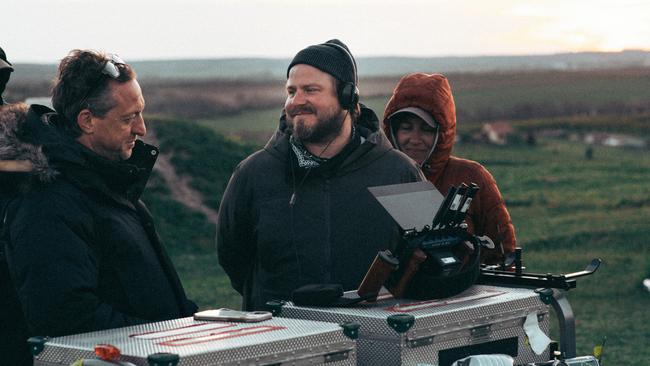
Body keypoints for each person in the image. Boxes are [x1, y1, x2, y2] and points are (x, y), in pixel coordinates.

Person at [2, 50, 197, 358]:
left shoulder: (105, 184)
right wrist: (161, 340)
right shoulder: (47, 204)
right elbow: (66, 317)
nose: (141, 129)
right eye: (129, 118)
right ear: (87, 120)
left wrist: (190, 326)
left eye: (141, 113)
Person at [216, 39, 424, 310]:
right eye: (291, 91)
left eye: (310, 90)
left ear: (348, 96)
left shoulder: (400, 172)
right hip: (280, 341)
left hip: (375, 337)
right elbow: (234, 259)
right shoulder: (253, 174)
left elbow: (430, 254)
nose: (296, 101)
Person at [382, 73, 516, 264]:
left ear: (443, 133)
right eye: (406, 128)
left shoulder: (472, 177)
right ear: (392, 130)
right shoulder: (378, 177)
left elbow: (504, 256)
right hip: (392, 294)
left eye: (427, 129)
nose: (415, 138)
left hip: (463, 292)